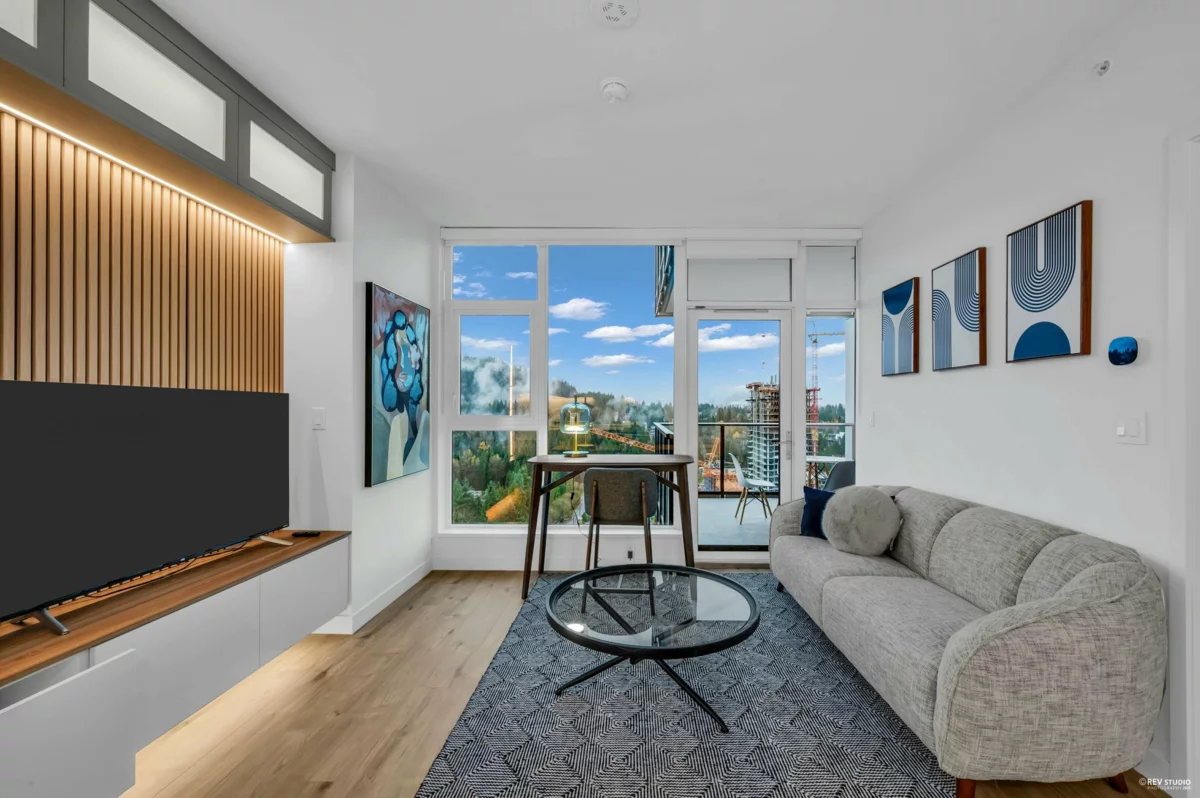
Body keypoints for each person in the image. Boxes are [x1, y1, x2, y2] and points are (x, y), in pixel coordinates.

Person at [379, 308, 425, 464]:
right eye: (398, 355)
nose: (403, 366)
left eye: (408, 352)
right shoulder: (390, 423)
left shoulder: (422, 417)